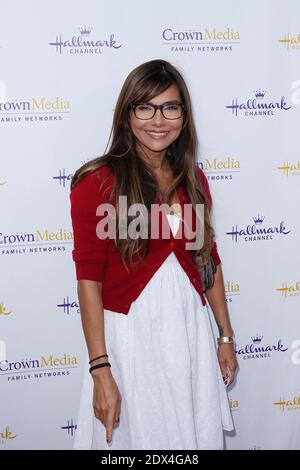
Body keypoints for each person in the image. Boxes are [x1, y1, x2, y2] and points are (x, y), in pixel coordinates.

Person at [70, 59, 238, 450]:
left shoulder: (193, 179)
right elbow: (88, 280)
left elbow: (207, 260)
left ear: (184, 115)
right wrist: (100, 369)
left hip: (188, 336)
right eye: (145, 107)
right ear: (127, 114)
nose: (157, 120)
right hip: (130, 342)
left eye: (170, 107)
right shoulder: (98, 181)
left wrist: (225, 335)